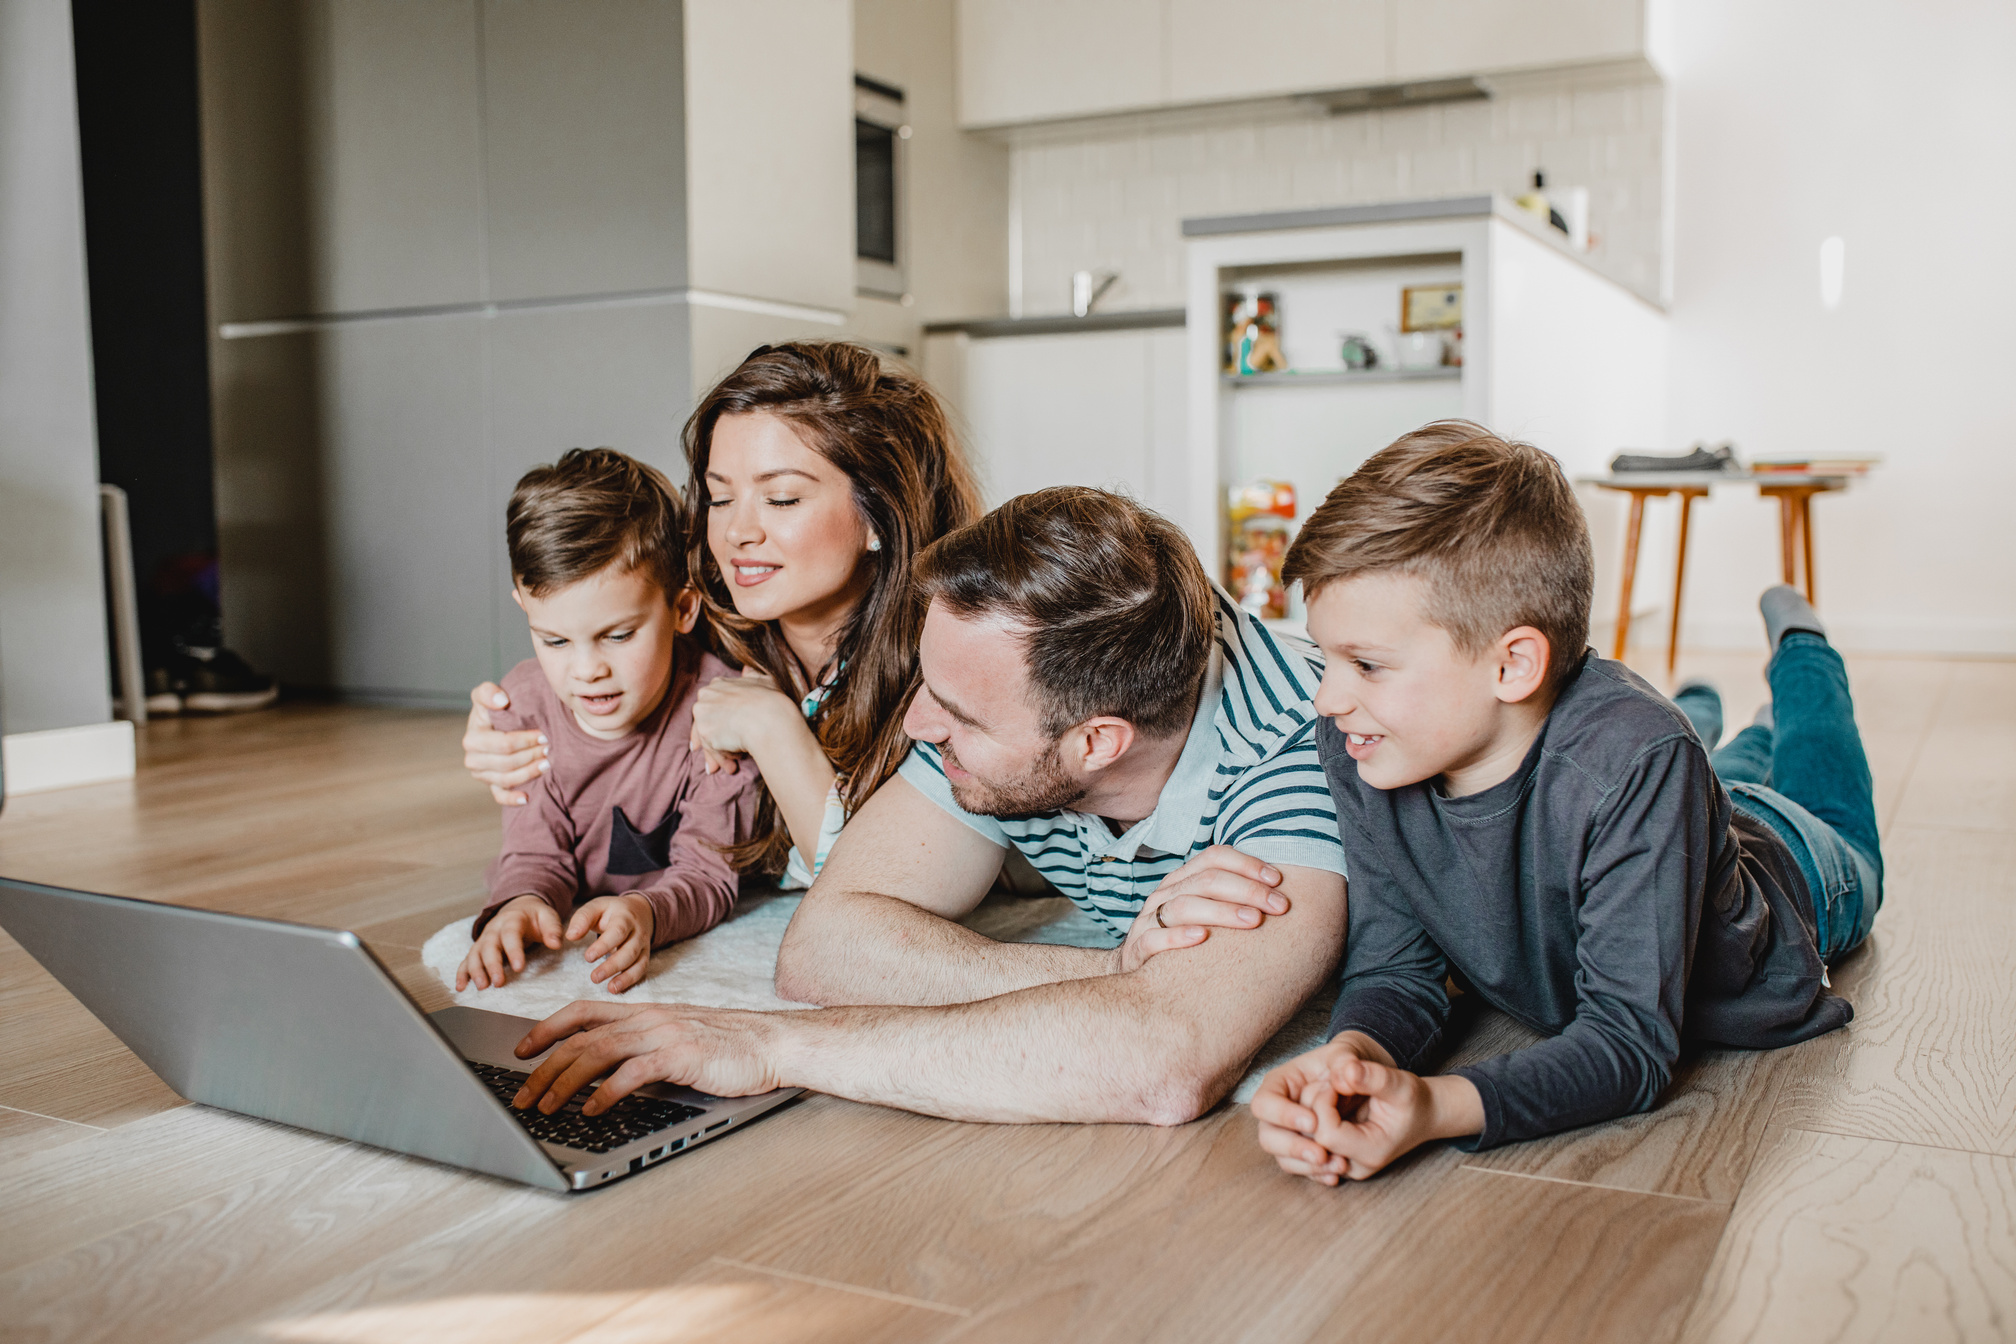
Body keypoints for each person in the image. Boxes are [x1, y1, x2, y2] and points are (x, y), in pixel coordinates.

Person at [499, 487, 1349, 1126]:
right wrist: (1118, 971)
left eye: (959, 717)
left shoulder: (1304, 754)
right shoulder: (995, 677)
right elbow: (827, 947)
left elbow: (1162, 1058)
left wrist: (769, 1044)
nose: (916, 724)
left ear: (1098, 743)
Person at [1252, 422, 1880, 1184]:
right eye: (1324, 658)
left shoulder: (1638, 760)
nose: (1326, 697)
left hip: (1798, 868)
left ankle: (1804, 651)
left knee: (1816, 781)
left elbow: (1628, 1046)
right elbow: (1395, 970)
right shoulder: (1368, 746)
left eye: (1367, 664)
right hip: (1664, 799)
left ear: (1513, 665)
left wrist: (1431, 1107)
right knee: (1699, 767)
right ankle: (1705, 716)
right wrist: (1351, 1061)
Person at [461, 342, 983, 886]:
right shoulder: (688, 621)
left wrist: (773, 728)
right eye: (718, 498)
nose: (737, 533)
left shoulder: (949, 664)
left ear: (879, 514)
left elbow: (881, 893)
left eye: (780, 499)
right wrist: (509, 725)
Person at [457, 449, 762, 995]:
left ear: (682, 610)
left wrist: (647, 912)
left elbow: (709, 875)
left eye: (618, 635)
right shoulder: (524, 707)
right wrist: (522, 903)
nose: (587, 670)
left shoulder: (719, 712)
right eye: (553, 640)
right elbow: (533, 853)